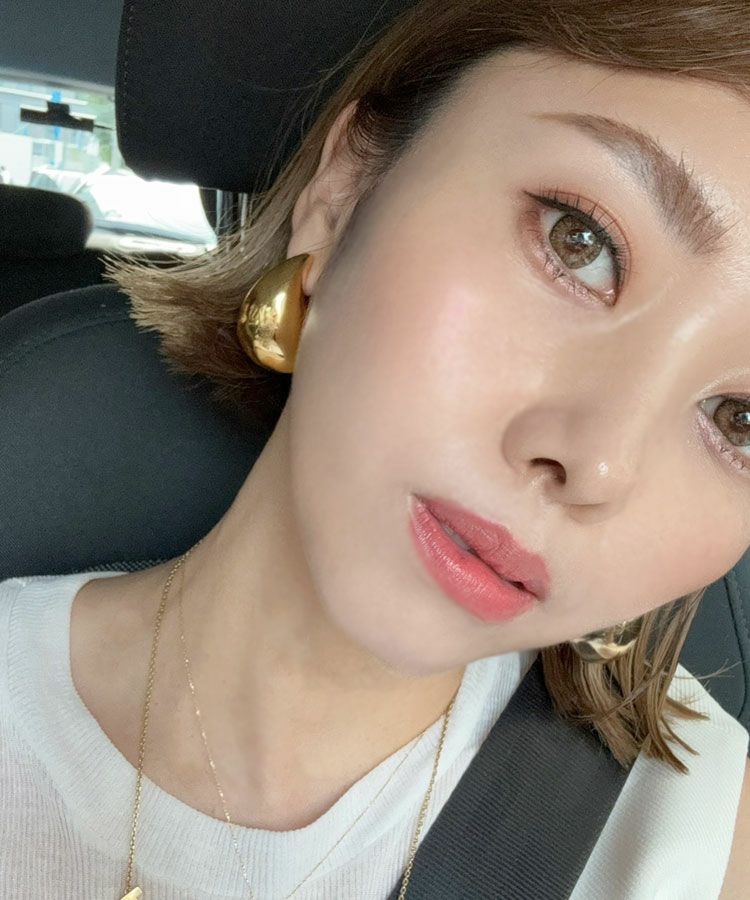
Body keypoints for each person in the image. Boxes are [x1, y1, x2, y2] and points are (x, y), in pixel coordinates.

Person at [2, 0, 750, 897]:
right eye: (579, 243)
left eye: (741, 421)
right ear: (342, 194)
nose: (596, 464)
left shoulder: (711, 845)